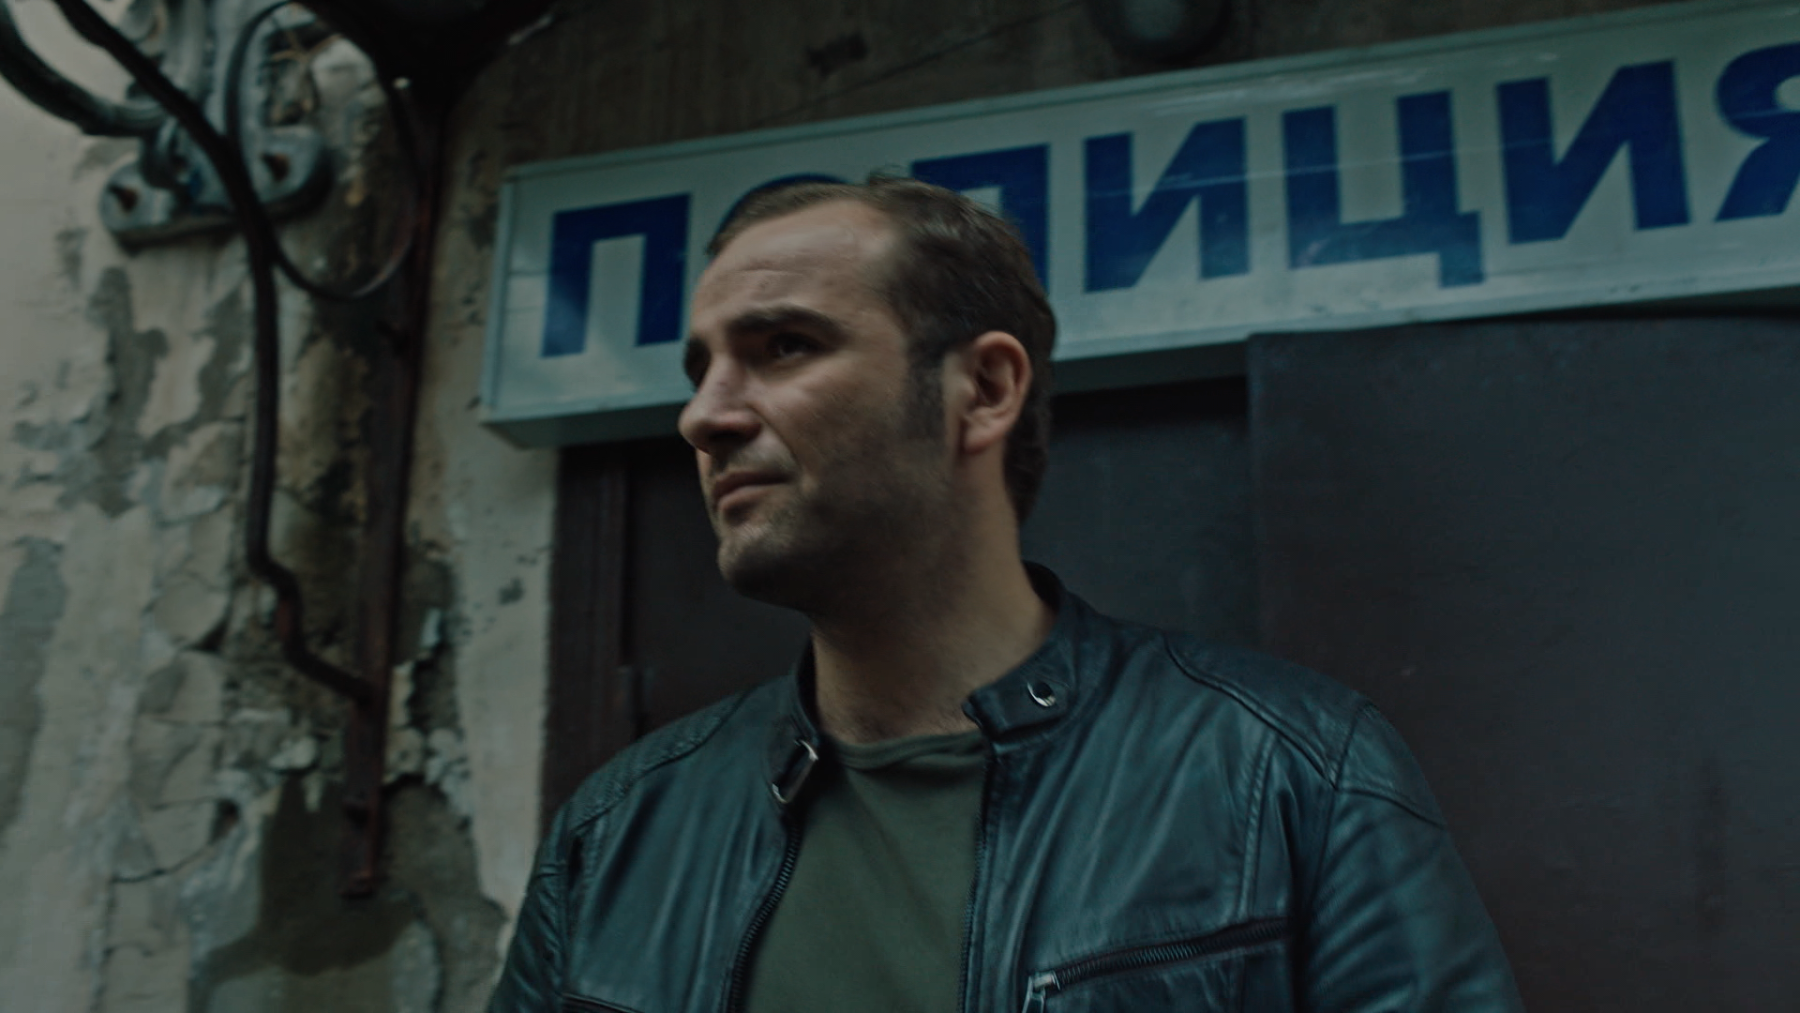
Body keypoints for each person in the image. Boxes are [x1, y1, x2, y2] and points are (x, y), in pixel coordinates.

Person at [489, 177, 1524, 1012]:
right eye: (700, 367)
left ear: (983, 389)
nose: (703, 416)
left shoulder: (1289, 770)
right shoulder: (614, 833)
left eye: (783, 346)